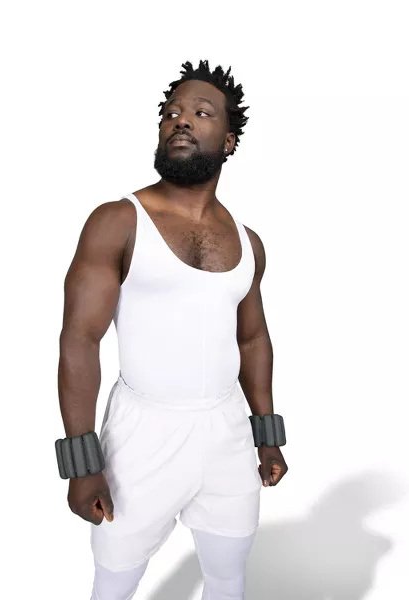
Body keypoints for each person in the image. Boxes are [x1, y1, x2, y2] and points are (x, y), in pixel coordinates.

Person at [57, 59, 288, 600]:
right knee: (115, 579)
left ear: (228, 141)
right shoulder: (117, 221)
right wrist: (81, 461)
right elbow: (79, 340)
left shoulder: (249, 242)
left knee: (228, 571)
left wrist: (267, 436)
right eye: (171, 112)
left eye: (201, 113)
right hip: (142, 432)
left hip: (226, 430)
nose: (180, 120)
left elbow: (252, 338)